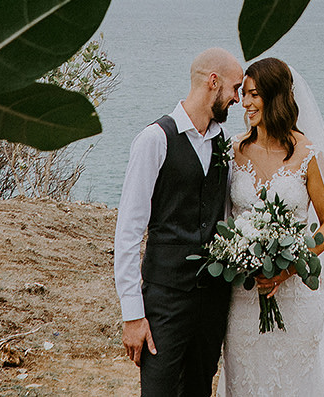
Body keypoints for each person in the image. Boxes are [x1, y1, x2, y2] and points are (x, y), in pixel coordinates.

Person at [222, 56, 324, 397]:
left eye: (254, 94)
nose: (244, 102)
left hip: (295, 297)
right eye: (243, 93)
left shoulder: (309, 155)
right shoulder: (234, 150)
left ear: (275, 97)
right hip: (245, 296)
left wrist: (290, 266)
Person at [114, 46, 243, 397]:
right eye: (235, 87)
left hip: (212, 299)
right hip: (165, 299)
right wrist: (133, 315)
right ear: (213, 81)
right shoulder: (154, 139)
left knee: (200, 390)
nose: (237, 98)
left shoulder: (223, 144)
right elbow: (128, 232)